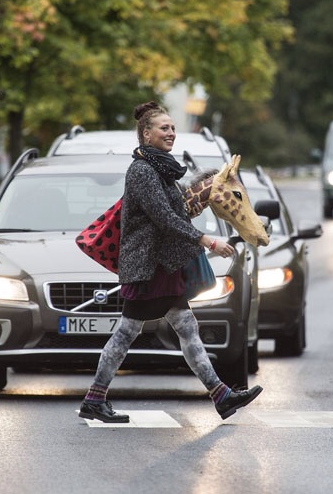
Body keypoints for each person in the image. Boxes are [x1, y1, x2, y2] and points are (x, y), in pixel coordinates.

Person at [78, 101, 263, 423]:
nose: (171, 133)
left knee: (186, 327)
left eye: (173, 128)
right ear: (146, 134)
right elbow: (163, 217)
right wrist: (205, 240)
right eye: (164, 128)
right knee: (126, 333)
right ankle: (94, 399)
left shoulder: (163, 169)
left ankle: (221, 395)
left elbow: (176, 211)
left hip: (163, 265)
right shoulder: (142, 171)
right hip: (148, 266)